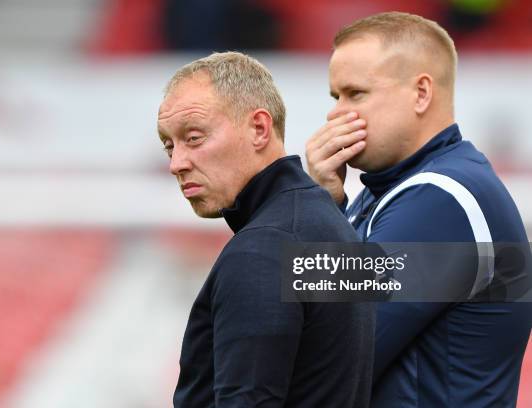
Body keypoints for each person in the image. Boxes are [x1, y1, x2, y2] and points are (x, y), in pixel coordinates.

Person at [305, 11, 531, 407]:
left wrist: (316, 209)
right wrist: (326, 204)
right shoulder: (387, 192)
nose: (336, 113)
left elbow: (328, 362)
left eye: (355, 93)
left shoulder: (443, 198)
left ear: (421, 93)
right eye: (334, 96)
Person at [158, 51, 374, 407]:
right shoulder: (327, 220)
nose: (177, 164)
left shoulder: (263, 249)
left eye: (193, 138)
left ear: (259, 128)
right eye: (170, 146)